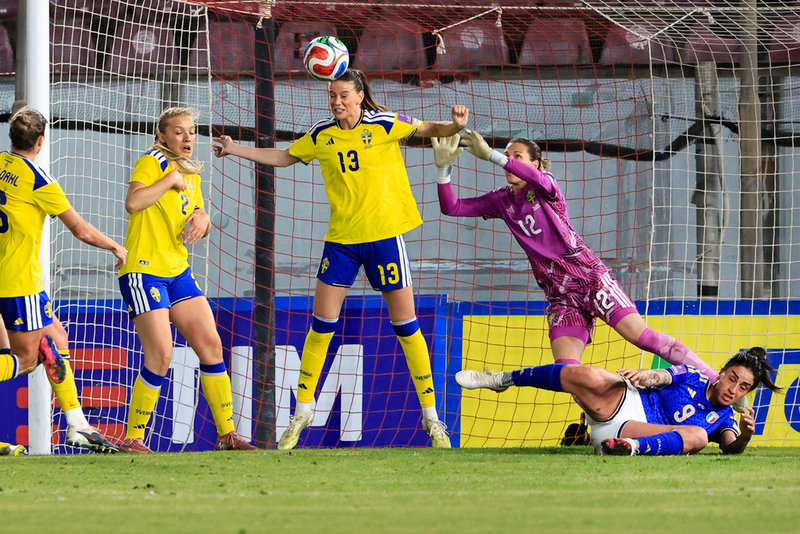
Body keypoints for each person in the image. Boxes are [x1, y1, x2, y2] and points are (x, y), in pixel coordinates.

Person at [213, 69, 469, 449]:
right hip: (342, 243)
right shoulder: (322, 135)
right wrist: (235, 148)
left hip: (384, 238)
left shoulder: (384, 123)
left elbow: (428, 128)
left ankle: (432, 419)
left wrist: (454, 126)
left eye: (343, 95)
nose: (336, 102)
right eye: (332, 95)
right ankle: (303, 411)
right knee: (321, 326)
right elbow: (283, 156)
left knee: (406, 326)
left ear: (360, 96)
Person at [431, 132, 725, 382]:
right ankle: (601, 413)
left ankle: (714, 379)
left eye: (517, 156)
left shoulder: (545, 185)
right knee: (568, 372)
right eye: (508, 156)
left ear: (534, 163)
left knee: (642, 337)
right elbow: (452, 207)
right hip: (560, 294)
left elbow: (535, 177)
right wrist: (443, 169)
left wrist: (492, 155)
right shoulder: (501, 200)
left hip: (590, 278)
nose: (510, 161)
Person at [117, 107, 256, 453]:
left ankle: (228, 435)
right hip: (144, 272)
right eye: (178, 131)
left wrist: (204, 218)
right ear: (162, 136)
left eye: (191, 131)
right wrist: (168, 180)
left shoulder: (191, 173)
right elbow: (133, 203)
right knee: (161, 354)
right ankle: (133, 438)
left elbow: (197, 219)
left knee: (210, 345)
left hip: (177, 272)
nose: (187, 137)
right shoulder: (151, 162)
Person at [0, 106, 125, 453]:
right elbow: (80, 229)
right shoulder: (39, 180)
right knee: (26, 359)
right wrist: (116, 247)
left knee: (55, 337)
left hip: (16, 278)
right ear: (41, 141)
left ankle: (77, 424)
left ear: (10, 137)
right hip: (18, 282)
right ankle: (78, 425)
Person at [455, 347, 780, 455]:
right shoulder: (693, 375)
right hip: (627, 403)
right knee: (586, 374)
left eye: (743, 387)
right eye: (732, 378)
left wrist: (745, 436)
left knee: (697, 437)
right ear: (721, 373)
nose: (734, 389)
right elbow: (663, 376)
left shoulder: (725, 420)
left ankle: (626, 449)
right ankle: (501, 379)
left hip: (631, 433)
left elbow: (730, 448)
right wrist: (643, 375)